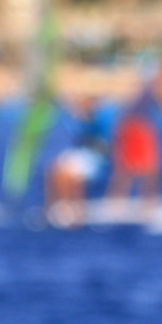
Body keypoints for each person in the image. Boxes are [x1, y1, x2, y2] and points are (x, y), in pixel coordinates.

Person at [107, 57, 162, 211]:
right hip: (137, 126)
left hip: (130, 124)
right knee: (149, 168)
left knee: (128, 166)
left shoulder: (153, 82)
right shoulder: (161, 84)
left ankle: (117, 202)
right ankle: (147, 205)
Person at [44, 95, 112, 229]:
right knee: (53, 170)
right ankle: (54, 209)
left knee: (69, 174)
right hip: (81, 154)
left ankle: (74, 213)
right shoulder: (80, 117)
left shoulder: (102, 117)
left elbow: (103, 146)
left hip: (94, 158)